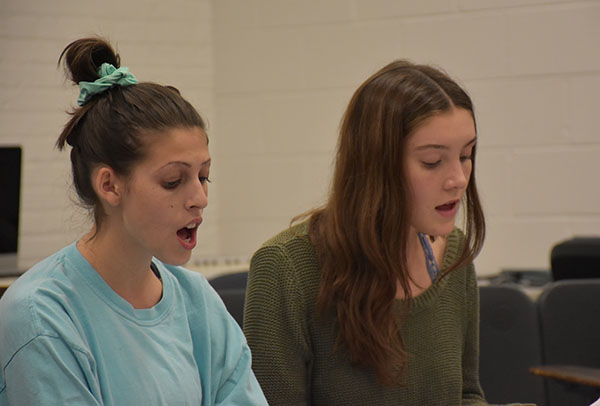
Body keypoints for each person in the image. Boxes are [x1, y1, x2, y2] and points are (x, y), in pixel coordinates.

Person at [243, 60, 531, 406]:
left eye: (466, 155)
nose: (458, 178)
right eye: (432, 162)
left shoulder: (454, 257)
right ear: (375, 166)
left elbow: (465, 396)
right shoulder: (286, 268)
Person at [0, 37, 267, 406]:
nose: (200, 199)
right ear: (110, 185)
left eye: (203, 176)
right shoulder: (40, 314)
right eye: (173, 181)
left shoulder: (198, 301)